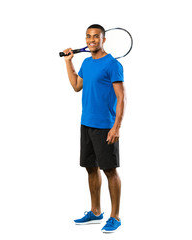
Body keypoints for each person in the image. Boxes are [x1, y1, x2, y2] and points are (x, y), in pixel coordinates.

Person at [63, 24, 125, 233]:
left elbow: (121, 97)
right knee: (91, 168)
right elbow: (76, 86)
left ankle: (115, 216)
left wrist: (116, 127)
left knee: (109, 170)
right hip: (86, 124)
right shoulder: (87, 63)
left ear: (103, 40)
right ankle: (95, 211)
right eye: (88, 36)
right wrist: (68, 62)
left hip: (105, 126)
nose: (91, 40)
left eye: (96, 36)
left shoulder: (112, 64)